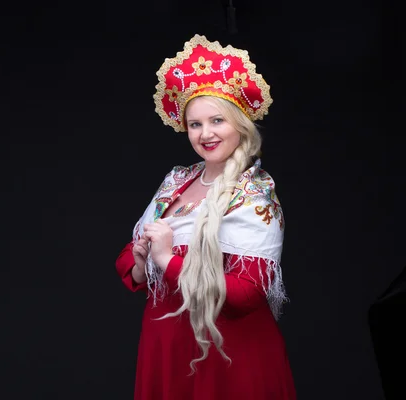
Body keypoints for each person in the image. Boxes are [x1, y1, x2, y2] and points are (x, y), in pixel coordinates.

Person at [115, 34, 296, 399]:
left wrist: (166, 259)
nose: (205, 133)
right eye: (195, 124)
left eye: (217, 120)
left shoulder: (254, 193)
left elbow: (246, 296)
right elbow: (131, 261)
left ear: (239, 125)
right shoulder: (177, 180)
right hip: (166, 348)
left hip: (226, 354)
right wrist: (139, 262)